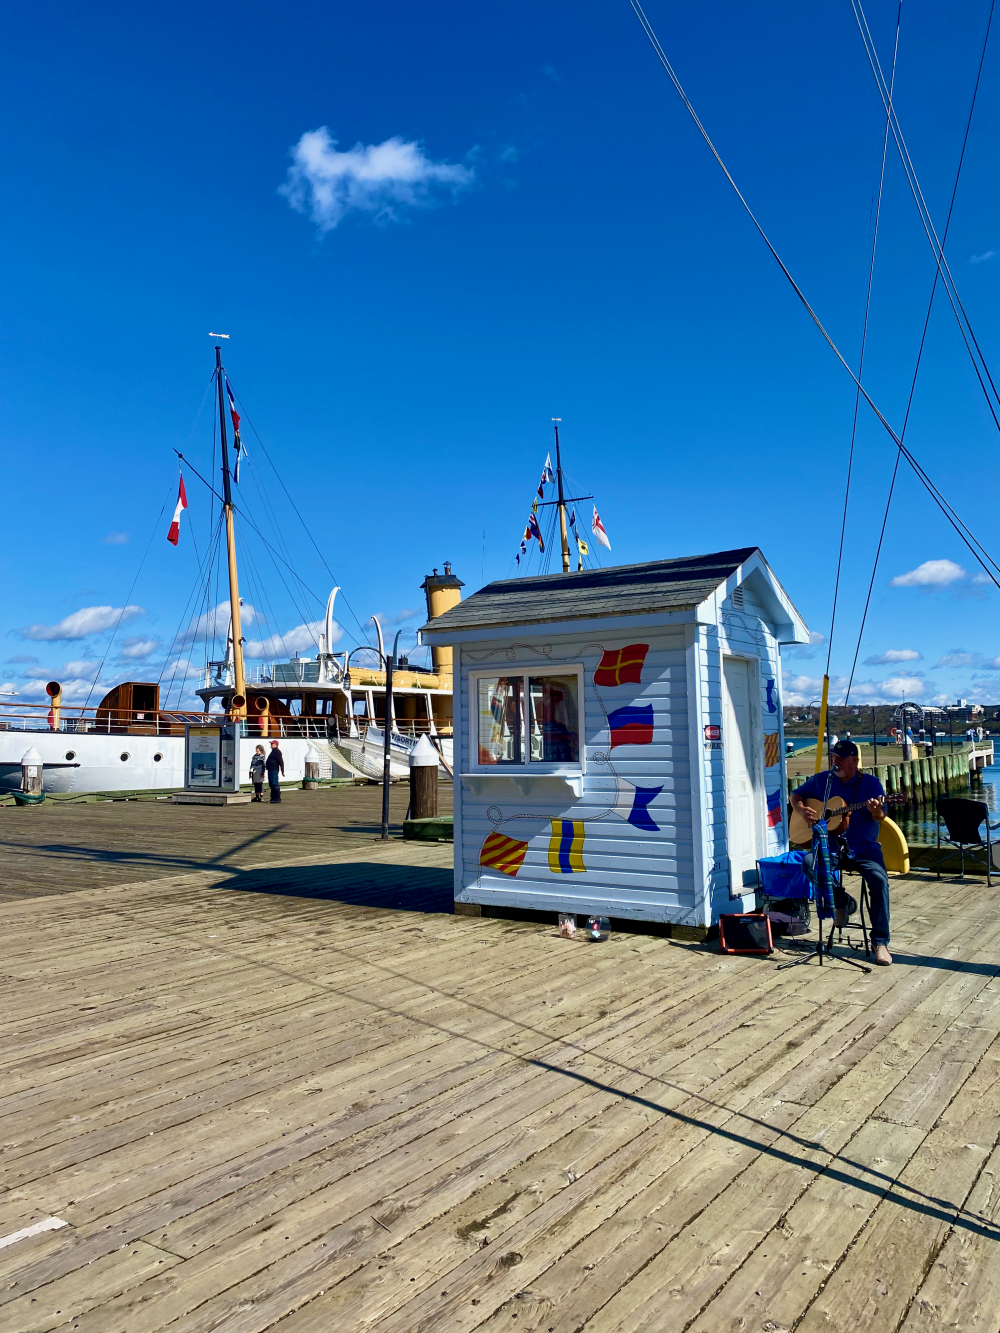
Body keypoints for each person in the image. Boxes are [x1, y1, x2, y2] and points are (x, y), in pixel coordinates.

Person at [790, 739, 892, 966]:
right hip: (831, 848)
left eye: (840, 758)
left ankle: (880, 942)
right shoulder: (822, 781)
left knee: (879, 880)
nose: (835, 762)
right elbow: (795, 795)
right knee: (809, 863)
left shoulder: (872, 784)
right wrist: (801, 810)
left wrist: (876, 811)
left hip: (864, 848)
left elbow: (882, 815)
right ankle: (841, 902)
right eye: (833, 757)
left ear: (855, 761)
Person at [265, 739, 284, 803]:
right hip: (270, 770)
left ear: (276, 745)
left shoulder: (277, 752)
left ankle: (277, 798)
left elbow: (281, 761)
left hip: (274, 770)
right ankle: (273, 797)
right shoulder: (273, 751)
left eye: (272, 744)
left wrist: (282, 770)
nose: (271, 745)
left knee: (274, 783)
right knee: (271, 784)